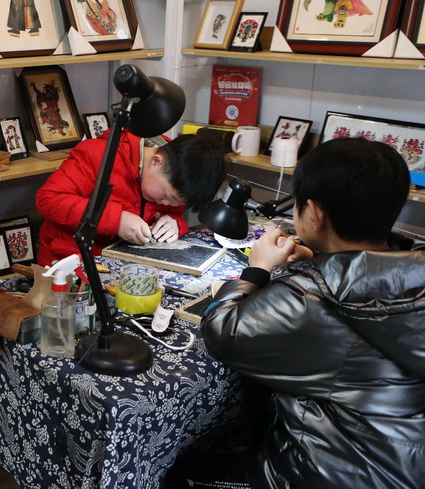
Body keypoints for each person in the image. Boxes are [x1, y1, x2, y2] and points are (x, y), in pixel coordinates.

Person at [168, 137, 425, 488]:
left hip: (330, 472)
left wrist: (256, 270)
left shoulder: (310, 297)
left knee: (180, 473)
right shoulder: (414, 270)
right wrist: (324, 261)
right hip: (405, 465)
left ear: (314, 215)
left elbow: (223, 331)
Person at [35, 132, 227, 266]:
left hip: (122, 267)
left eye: (177, 202)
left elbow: (170, 210)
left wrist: (174, 222)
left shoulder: (177, 170)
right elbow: (48, 199)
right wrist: (116, 220)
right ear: (155, 162)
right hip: (70, 264)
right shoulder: (98, 155)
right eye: (166, 196)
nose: (166, 204)